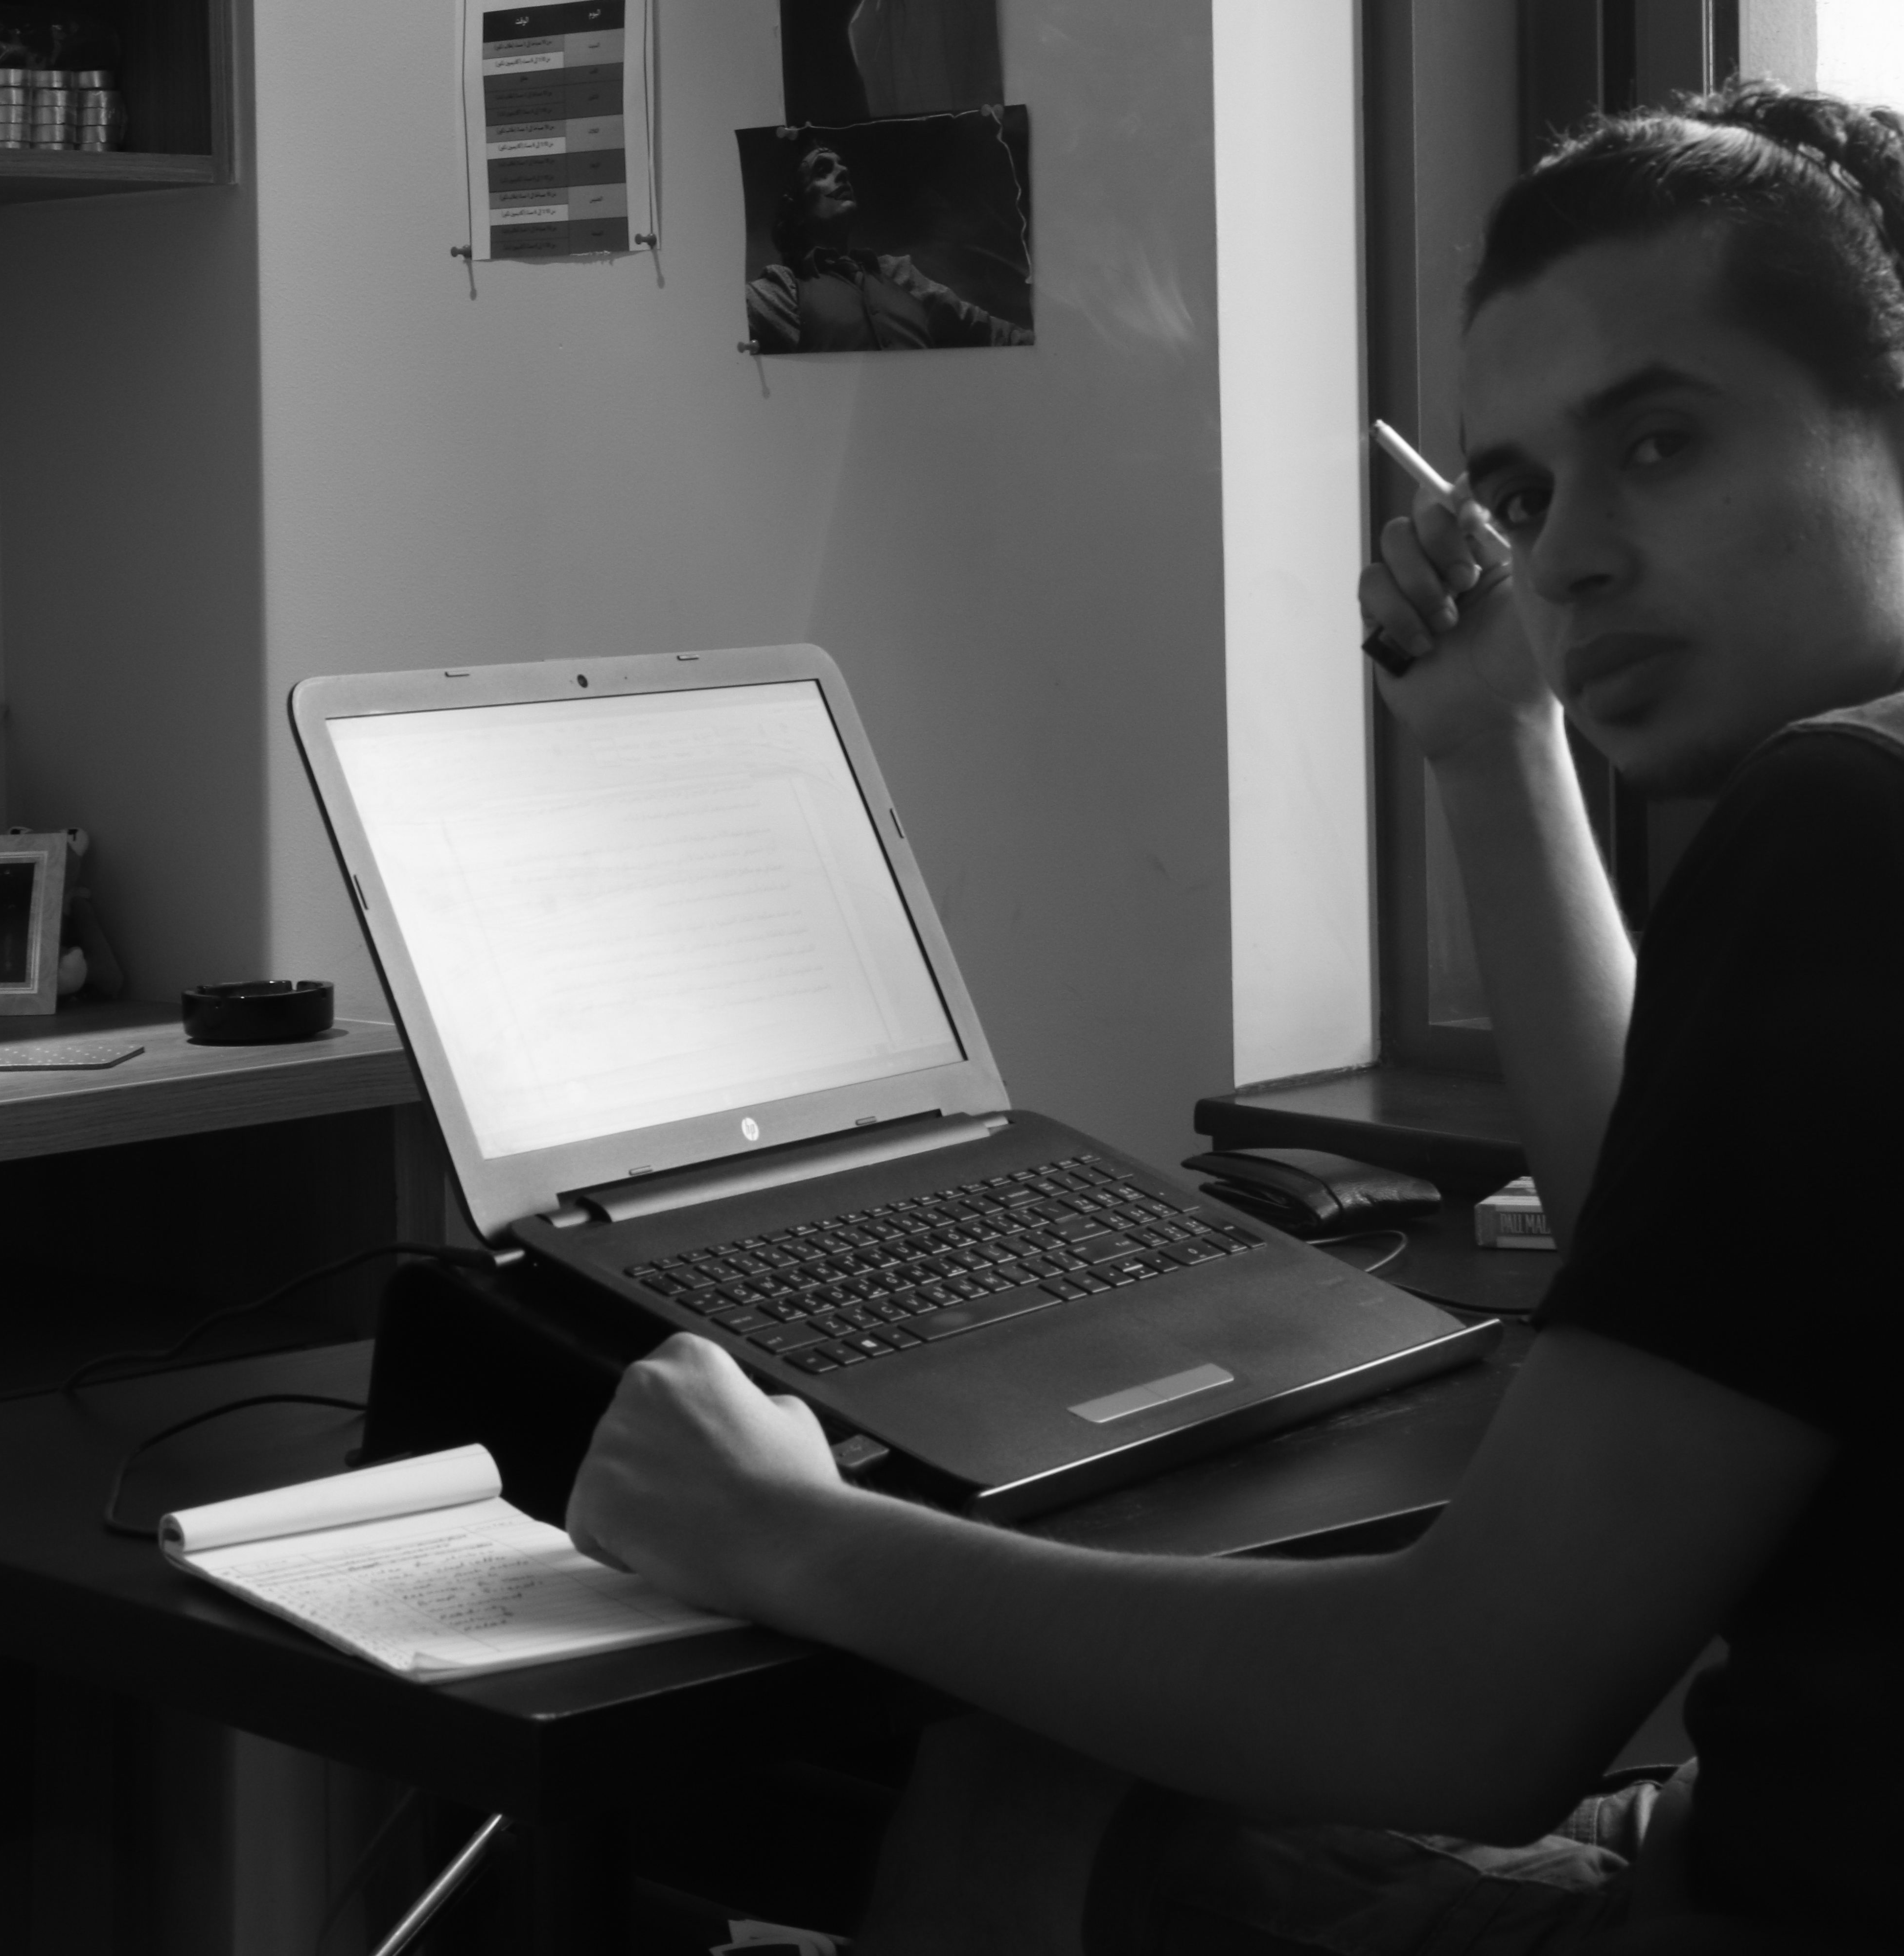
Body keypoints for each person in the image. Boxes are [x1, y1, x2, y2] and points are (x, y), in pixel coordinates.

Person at [575, 79, 1904, 1952]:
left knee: (1011, 1781)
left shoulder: (1839, 818)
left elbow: (1467, 1714)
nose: (1565, 558)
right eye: (1520, 495)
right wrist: (1489, 740)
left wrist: (782, 1530)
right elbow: (1693, 1265)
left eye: (1658, 443)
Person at [745, 142, 1035, 354]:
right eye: (823, 171)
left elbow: (987, 331)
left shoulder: (899, 275)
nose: (843, 172)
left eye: (841, 166)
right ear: (796, 208)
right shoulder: (785, 290)